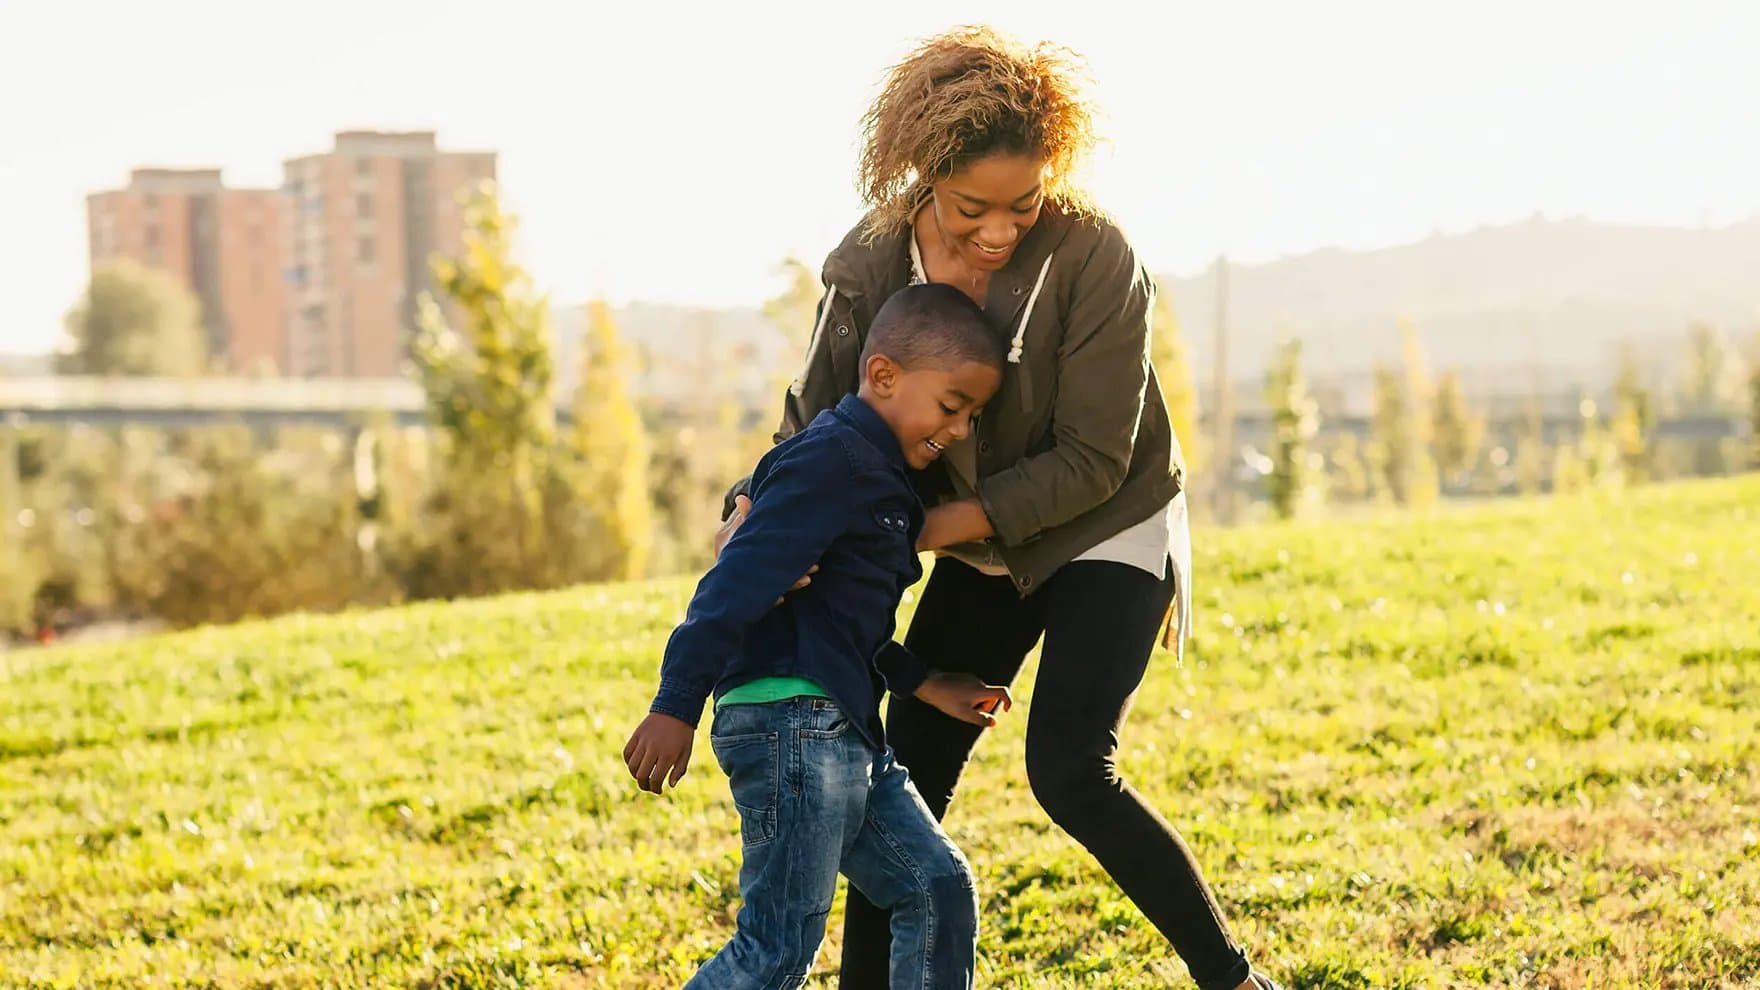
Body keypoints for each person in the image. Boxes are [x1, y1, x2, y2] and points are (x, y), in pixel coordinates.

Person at [717, 26, 1282, 990]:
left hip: (1109, 521)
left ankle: (1234, 981)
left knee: (1068, 769)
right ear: (920, 173)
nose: (998, 230)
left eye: (1022, 205)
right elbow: (812, 418)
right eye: (973, 206)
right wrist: (751, 507)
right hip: (979, 546)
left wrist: (921, 529)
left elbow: (1098, 457)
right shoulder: (869, 260)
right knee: (892, 775)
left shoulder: (1096, 254)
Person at [625, 283, 1015, 989]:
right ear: (883, 375)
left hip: (842, 730)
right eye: (952, 408)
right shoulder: (831, 460)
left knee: (937, 889)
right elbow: (733, 581)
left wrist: (923, 682)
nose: (958, 430)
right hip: (794, 726)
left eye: (972, 417)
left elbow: (843, 622)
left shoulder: (877, 477)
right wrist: (675, 703)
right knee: (773, 951)